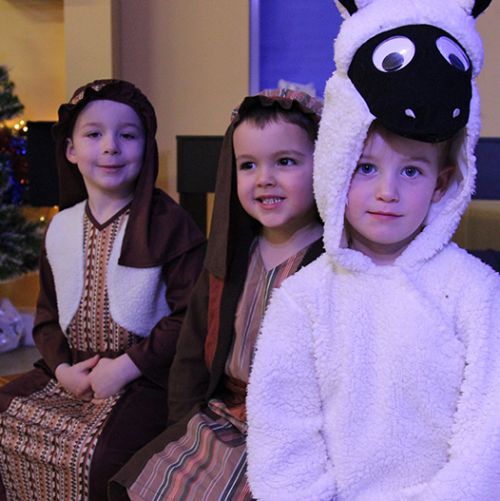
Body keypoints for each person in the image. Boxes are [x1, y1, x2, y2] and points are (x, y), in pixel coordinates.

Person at [247, 1, 500, 500]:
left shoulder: (478, 292)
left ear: (442, 183)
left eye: (412, 171)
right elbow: (282, 441)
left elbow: (487, 439)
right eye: (366, 168)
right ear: (336, 167)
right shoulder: (303, 300)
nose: (388, 192)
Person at [108, 89, 324, 500]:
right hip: (222, 418)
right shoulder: (228, 260)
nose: (264, 178)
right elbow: (190, 357)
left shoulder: (335, 265)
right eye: (248, 165)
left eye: (285, 161)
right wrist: (180, 427)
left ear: (323, 167)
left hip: (295, 433)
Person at [0, 79, 206, 501]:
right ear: (71, 150)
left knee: (103, 457)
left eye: (127, 136)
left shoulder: (167, 224)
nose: (111, 147)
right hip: (71, 373)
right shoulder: (60, 227)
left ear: (146, 148)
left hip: (143, 377)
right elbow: (46, 316)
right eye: (94, 135)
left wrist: (126, 367)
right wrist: (62, 370)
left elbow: (191, 315)